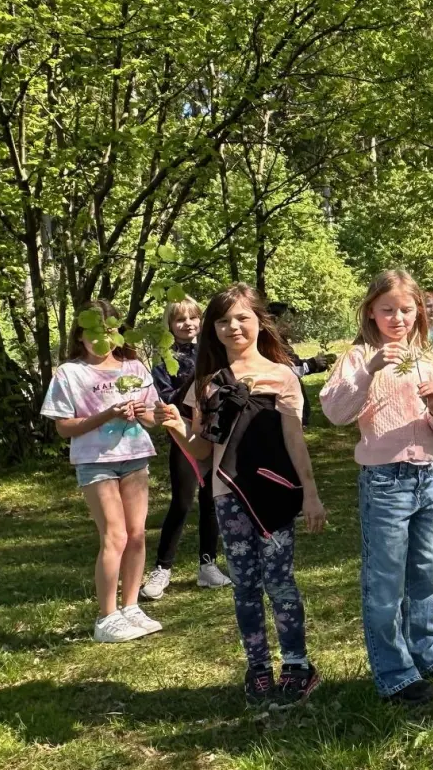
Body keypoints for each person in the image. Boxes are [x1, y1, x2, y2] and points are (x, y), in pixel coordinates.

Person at [156, 284, 326, 705]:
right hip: (226, 497)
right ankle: (258, 668)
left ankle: (298, 665)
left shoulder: (283, 376)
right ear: (212, 329)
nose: (233, 327)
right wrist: (176, 427)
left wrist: (310, 495)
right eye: (223, 320)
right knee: (245, 586)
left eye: (242, 318)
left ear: (258, 322)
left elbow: (294, 440)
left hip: (274, 495)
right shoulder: (206, 385)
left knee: (280, 582)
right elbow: (201, 449)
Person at [320, 270, 433, 705]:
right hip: (384, 481)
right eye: (387, 310)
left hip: (427, 478)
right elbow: (336, 411)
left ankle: (426, 651)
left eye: (406, 309)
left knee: (425, 573)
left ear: (419, 311)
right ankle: (394, 672)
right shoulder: (359, 357)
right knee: (385, 580)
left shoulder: (431, 358)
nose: (397, 318)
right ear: (371, 311)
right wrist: (369, 370)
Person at [40, 299, 163, 643]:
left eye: (111, 331)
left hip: (135, 456)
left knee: (137, 534)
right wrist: (107, 414)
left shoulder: (135, 368)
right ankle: (106, 617)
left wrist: (141, 412)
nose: (103, 339)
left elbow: (153, 419)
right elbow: (64, 427)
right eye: (94, 332)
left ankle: (131, 607)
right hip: (95, 462)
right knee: (115, 536)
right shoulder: (70, 373)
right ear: (80, 336)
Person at [143, 296, 231, 599]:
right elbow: (167, 401)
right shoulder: (164, 362)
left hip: (216, 436)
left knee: (211, 501)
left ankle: (208, 565)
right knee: (182, 502)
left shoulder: (216, 353)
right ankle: (162, 568)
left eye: (193, 317)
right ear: (170, 325)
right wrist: (194, 379)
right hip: (184, 437)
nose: (188, 324)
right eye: (180, 319)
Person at [264, 302, 331, 427]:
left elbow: (296, 366)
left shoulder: (281, 343)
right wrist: (312, 363)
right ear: (274, 320)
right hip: (282, 410)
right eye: (288, 321)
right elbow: (289, 372)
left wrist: (317, 364)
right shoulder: (270, 347)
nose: (292, 325)